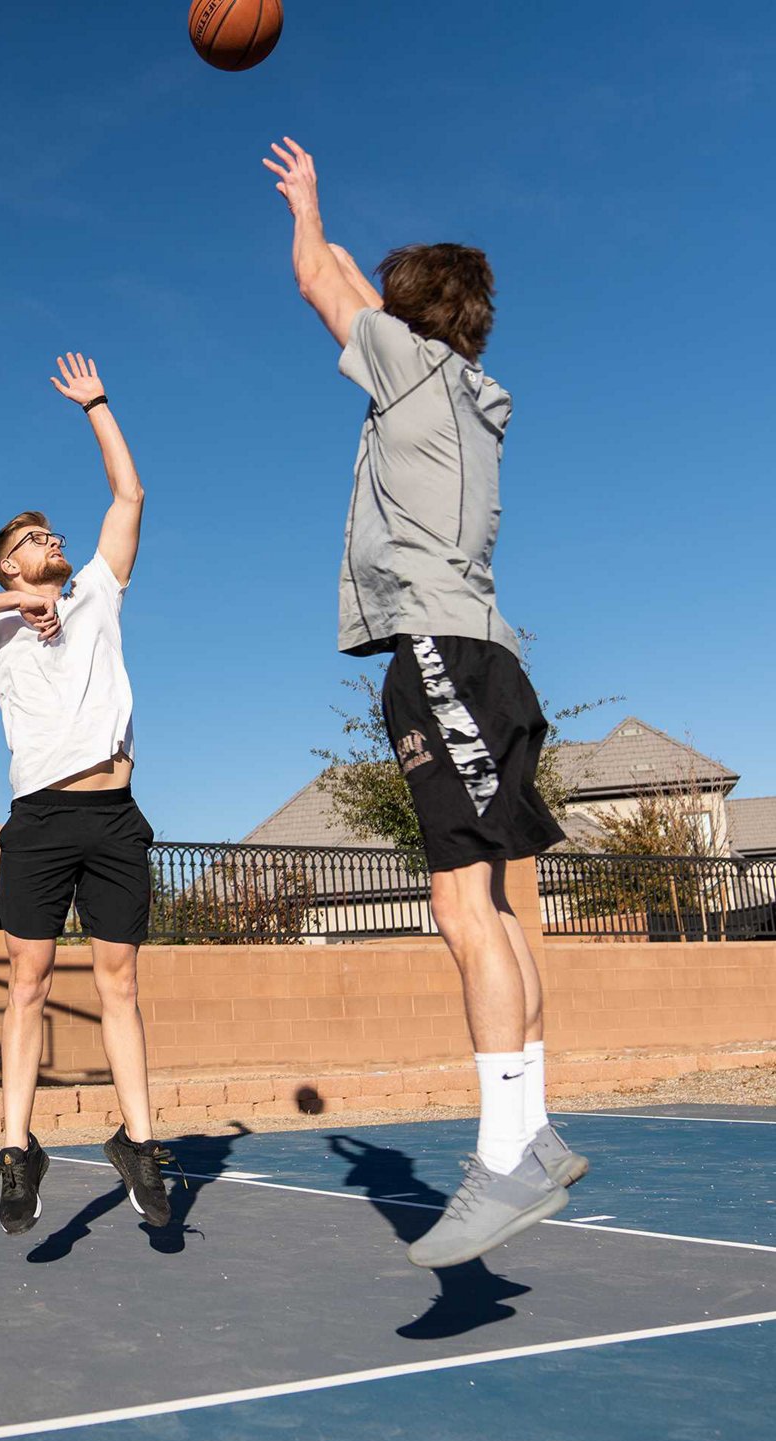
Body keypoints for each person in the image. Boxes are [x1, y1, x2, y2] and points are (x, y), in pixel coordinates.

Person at [263, 138, 588, 1269]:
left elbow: (321, 281)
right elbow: (354, 285)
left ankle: (507, 1156)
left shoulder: (404, 372)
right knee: (491, 906)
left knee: (459, 909)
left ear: (404, 320)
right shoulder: (467, 388)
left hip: (441, 654)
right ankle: (529, 1134)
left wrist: (308, 207)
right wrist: (350, 242)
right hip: (489, 659)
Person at [0, 352, 177, 1236]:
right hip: (40, 819)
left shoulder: (98, 591)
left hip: (115, 815)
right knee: (27, 983)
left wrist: (99, 404)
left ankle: (137, 1141)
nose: (48, 539)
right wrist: (11, 600)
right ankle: (20, 1150)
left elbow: (129, 497)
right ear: (9, 563)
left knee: (121, 982)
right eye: (31, 539)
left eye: (48, 533)